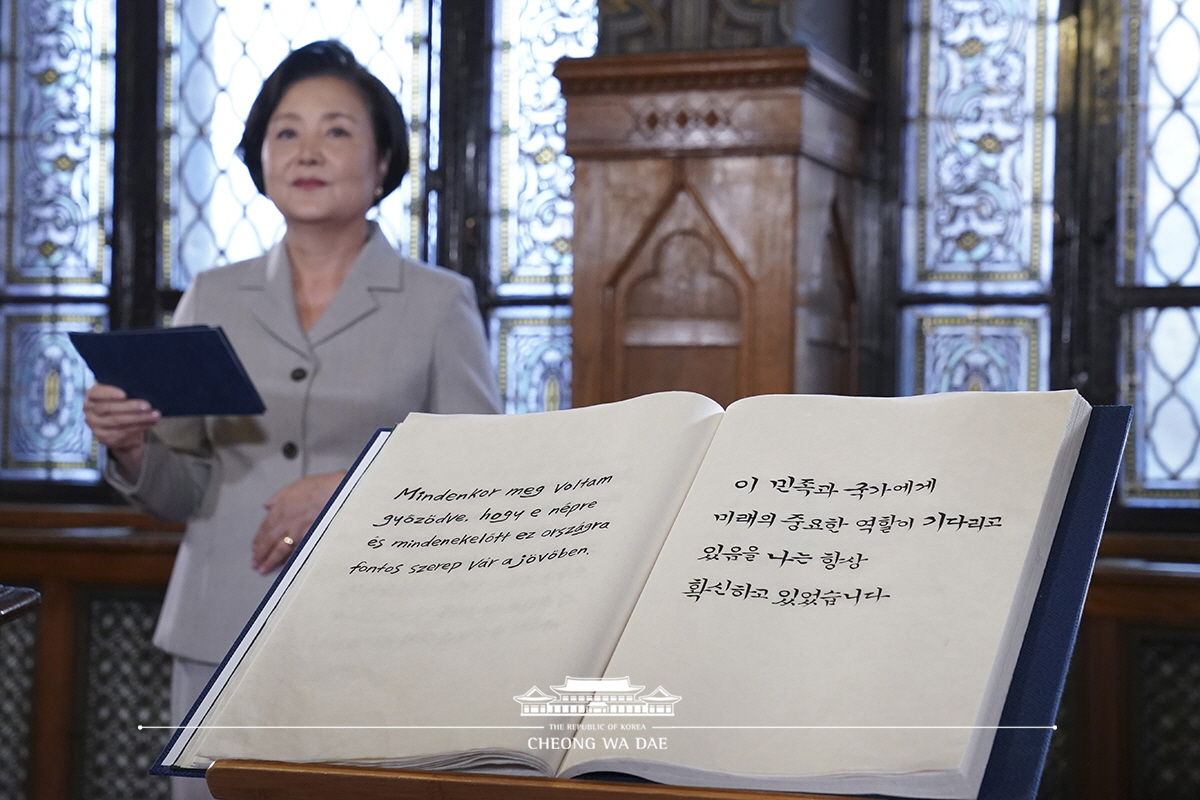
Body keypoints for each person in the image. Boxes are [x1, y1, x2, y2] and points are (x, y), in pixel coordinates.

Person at [83, 41, 500, 798]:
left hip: (378, 631)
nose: (308, 150)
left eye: (337, 130)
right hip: (220, 628)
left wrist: (347, 490)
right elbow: (183, 489)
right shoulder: (212, 294)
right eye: (286, 131)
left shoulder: (440, 301)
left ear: (382, 164)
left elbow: (478, 472)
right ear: (260, 157)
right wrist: (132, 447)